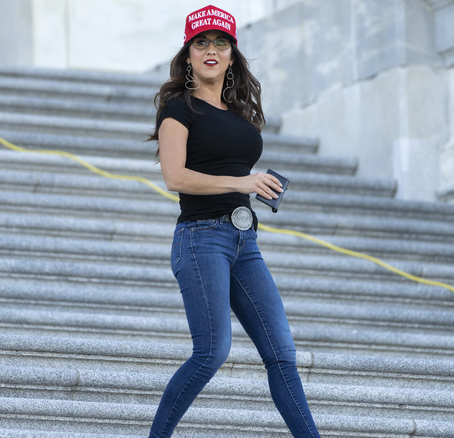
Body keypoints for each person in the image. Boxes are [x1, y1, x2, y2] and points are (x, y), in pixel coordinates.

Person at [147, 5, 321, 438]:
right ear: (188, 54)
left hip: (245, 242)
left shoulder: (239, 110)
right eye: (201, 42)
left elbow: (233, 166)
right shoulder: (178, 108)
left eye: (220, 42)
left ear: (232, 53)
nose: (211, 50)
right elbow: (175, 177)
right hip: (200, 237)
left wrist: (257, 185)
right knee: (211, 352)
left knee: (282, 353)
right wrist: (242, 181)